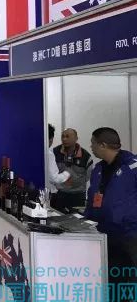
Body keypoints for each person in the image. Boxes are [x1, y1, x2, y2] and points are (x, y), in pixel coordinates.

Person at [85, 128, 137, 299]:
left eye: (93, 143)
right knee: (111, 280)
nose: (91, 147)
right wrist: (86, 221)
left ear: (103, 145)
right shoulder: (98, 169)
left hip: (129, 235)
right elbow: (92, 198)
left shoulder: (132, 167)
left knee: (129, 282)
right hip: (104, 234)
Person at [51, 128, 93, 211]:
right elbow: (50, 173)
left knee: (77, 218)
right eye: (62, 136)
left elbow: (88, 176)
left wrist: (72, 183)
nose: (64, 139)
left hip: (78, 195)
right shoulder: (54, 153)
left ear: (76, 138)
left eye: (67, 136)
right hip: (59, 194)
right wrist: (62, 184)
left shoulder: (86, 156)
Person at [46, 124, 70, 194]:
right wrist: (68, 173)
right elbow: (54, 178)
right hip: (49, 192)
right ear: (51, 139)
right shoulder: (49, 153)